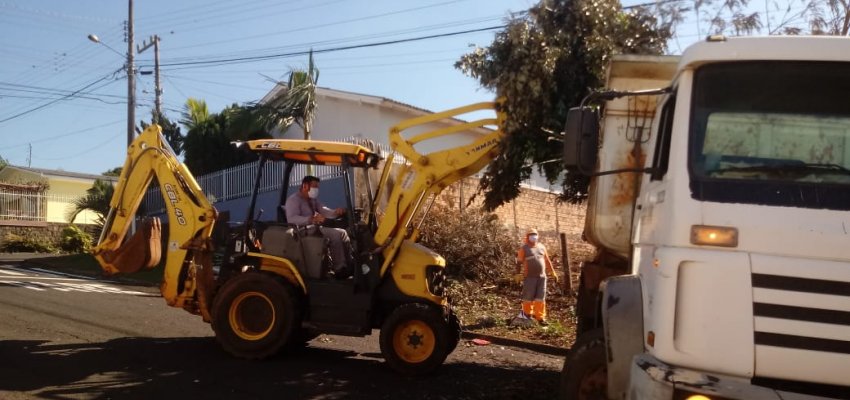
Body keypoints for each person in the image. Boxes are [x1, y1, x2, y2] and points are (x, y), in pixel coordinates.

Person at [285, 175, 352, 278]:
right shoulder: (293, 200)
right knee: (335, 235)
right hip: (302, 231)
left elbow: (323, 210)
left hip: (314, 228)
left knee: (343, 232)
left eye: (317, 187)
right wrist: (310, 219)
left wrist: (336, 212)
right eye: (314, 186)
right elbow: (292, 219)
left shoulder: (312, 200)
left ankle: (349, 264)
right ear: (305, 186)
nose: (316, 189)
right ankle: (340, 269)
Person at [515, 228, 559, 325]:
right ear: (527, 237)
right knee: (528, 297)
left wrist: (552, 272)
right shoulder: (524, 249)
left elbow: (547, 260)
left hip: (542, 277)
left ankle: (540, 317)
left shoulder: (542, 247)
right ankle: (527, 315)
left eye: (535, 234)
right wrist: (517, 274)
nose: (533, 236)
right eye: (531, 235)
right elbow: (518, 262)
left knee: (540, 297)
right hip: (529, 277)